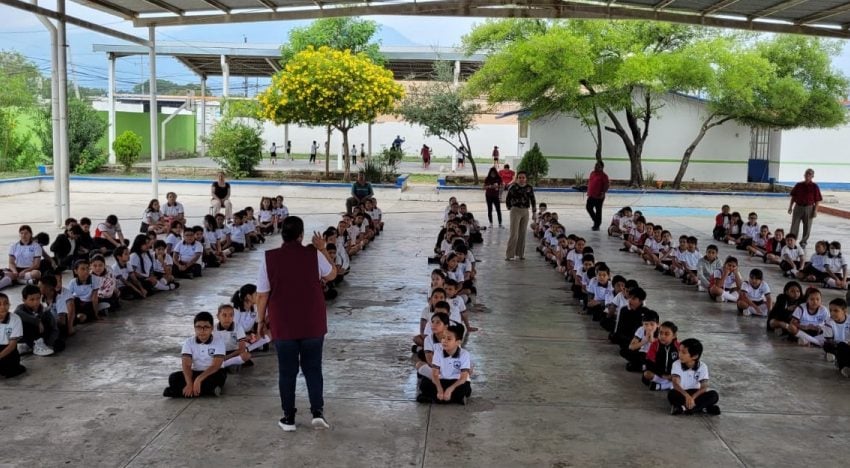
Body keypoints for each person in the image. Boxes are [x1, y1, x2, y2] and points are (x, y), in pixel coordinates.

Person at [256, 216, 336, 432]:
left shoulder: (269, 258)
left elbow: (262, 295)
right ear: (302, 235)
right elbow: (332, 275)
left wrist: (260, 321)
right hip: (312, 322)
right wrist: (323, 249)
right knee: (313, 368)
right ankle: (317, 412)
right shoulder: (314, 255)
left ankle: (289, 417)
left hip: (284, 323)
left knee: (287, 371)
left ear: (282, 234)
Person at [163, 311, 227, 398]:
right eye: (198, 327)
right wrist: (189, 383)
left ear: (212, 328)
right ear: (194, 328)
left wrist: (198, 379)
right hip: (196, 372)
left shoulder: (219, 342)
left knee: (217, 379)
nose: (202, 331)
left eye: (206, 327)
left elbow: (216, 366)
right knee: (173, 378)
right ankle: (208, 391)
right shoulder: (189, 342)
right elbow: (186, 365)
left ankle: (175, 392)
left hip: (213, 372)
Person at [417, 323, 472, 405]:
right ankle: (455, 399)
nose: (444, 341)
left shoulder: (464, 354)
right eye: (443, 338)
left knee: (465, 388)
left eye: (449, 339)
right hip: (441, 380)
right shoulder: (438, 352)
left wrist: (450, 389)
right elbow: (435, 374)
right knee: (424, 384)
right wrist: (439, 389)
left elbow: (463, 377)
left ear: (458, 342)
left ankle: (433, 399)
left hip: (456, 382)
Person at [668, 338, 721, 415]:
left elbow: (704, 387)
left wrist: (692, 398)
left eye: (684, 352)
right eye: (679, 350)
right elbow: (675, 384)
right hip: (681, 392)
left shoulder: (703, 366)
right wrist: (687, 396)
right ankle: (702, 408)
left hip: (696, 393)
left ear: (695, 356)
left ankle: (683, 408)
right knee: (672, 394)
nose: (680, 354)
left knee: (714, 395)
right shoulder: (676, 364)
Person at [504, 171, 537, 261]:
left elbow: (533, 200)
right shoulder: (513, 187)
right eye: (520, 177)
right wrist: (510, 207)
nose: (522, 179)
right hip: (515, 210)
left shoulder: (529, 188)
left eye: (523, 177)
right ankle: (509, 254)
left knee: (522, 233)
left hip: (525, 211)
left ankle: (520, 254)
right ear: (517, 178)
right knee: (514, 233)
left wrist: (534, 212)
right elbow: (508, 198)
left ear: (526, 179)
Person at [788, 168, 822, 248]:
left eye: (809, 174)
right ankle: (792, 240)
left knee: (807, 226)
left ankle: (803, 241)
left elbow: (817, 200)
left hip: (809, 208)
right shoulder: (798, 185)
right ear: (804, 175)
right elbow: (793, 196)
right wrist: (790, 207)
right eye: (806, 174)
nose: (807, 175)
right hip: (798, 207)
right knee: (794, 225)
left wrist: (815, 210)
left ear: (812, 176)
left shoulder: (815, 186)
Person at [0, 292, 26, 378]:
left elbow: (12, 345)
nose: (3, 307)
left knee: (11, 370)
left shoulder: (15, 319)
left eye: (6, 303)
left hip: (7, 351)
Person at [586, 161, 610, 231]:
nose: (596, 166)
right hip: (591, 195)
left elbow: (606, 185)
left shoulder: (604, 176)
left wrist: (603, 192)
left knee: (598, 210)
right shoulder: (592, 173)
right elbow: (591, 182)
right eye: (596, 165)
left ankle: (597, 225)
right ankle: (596, 221)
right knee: (588, 207)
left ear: (602, 167)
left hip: (599, 196)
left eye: (598, 166)